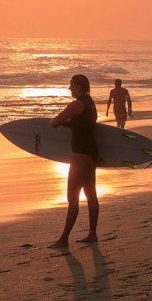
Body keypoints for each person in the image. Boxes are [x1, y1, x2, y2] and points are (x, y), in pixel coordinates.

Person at [49, 74, 99, 248]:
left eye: (72, 85)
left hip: (80, 156)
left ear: (79, 86)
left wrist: (60, 122)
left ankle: (63, 240)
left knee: (73, 198)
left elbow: (54, 122)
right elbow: (84, 125)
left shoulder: (76, 104)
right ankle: (92, 234)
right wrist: (70, 124)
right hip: (91, 154)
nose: (69, 88)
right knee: (91, 196)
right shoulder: (90, 104)